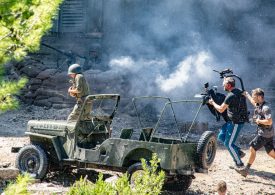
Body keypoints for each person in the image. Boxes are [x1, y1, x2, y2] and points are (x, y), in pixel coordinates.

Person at [208, 77, 247, 173]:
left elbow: (221, 109)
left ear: (229, 85)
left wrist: (212, 102)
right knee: (221, 137)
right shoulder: (238, 91)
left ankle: (239, 165)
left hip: (236, 123)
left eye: (224, 84)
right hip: (231, 121)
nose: (222, 85)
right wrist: (226, 77)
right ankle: (238, 152)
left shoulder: (230, 96)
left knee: (228, 144)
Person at [236, 88, 275, 177]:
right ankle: (246, 170)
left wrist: (258, 120)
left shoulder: (266, 108)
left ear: (260, 97)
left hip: (264, 134)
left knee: (252, 148)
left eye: (254, 96)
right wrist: (246, 94)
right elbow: (254, 103)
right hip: (269, 134)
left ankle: (246, 170)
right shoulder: (259, 104)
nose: (253, 98)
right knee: (270, 152)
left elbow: (269, 121)